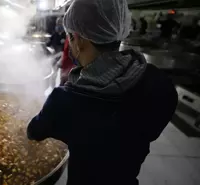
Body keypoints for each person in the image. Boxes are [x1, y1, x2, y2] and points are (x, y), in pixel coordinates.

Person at [27, 0, 178, 185]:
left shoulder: (64, 101)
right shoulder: (159, 83)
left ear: (80, 40)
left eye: (70, 37)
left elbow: (34, 131)